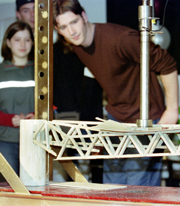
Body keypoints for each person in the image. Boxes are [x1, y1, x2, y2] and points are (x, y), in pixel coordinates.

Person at [53, 0, 179, 186]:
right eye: (63, 27)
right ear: (58, 30)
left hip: (146, 118)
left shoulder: (121, 38)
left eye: (74, 22)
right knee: (112, 187)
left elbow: (167, 63)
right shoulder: (76, 46)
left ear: (84, 16)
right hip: (116, 119)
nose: (72, 31)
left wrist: (171, 110)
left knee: (137, 190)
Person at [0, 21, 35, 176]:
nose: (23, 44)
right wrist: (8, 120)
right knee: (10, 190)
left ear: (33, 43)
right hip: (5, 140)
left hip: (35, 141)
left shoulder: (41, 72)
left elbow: (53, 104)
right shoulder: (1, 72)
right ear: (8, 42)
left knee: (35, 190)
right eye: (17, 39)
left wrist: (38, 115)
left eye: (27, 39)